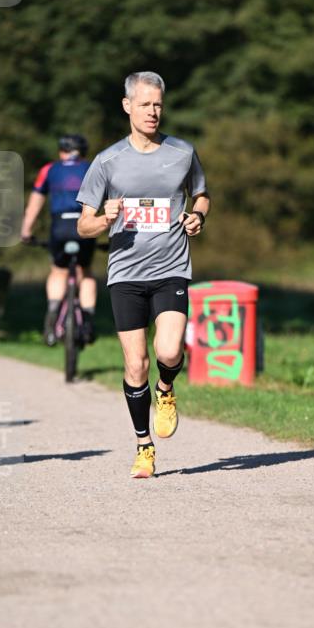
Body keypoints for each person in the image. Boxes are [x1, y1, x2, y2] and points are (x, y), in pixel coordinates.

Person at [77, 71, 210, 479]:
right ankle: (143, 446)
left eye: (158, 105)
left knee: (168, 352)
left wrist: (197, 217)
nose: (153, 112)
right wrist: (104, 218)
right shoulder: (107, 161)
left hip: (171, 267)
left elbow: (201, 194)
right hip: (125, 274)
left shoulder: (182, 153)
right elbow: (83, 225)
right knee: (135, 365)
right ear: (127, 106)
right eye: (145, 104)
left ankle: (166, 390)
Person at [20, 134, 97, 344]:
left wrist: (26, 230)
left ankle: (52, 318)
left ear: (61, 151)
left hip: (60, 227)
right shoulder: (92, 168)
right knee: (85, 270)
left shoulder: (49, 170)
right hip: (85, 227)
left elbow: (36, 202)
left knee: (59, 270)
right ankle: (88, 323)